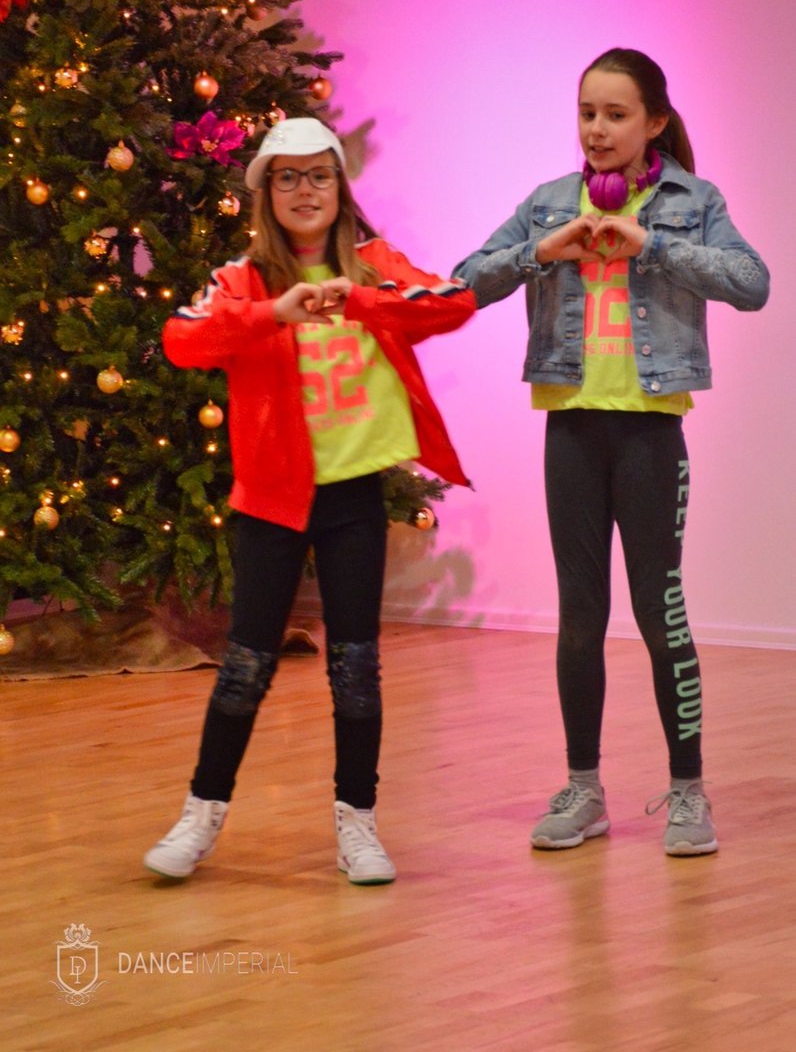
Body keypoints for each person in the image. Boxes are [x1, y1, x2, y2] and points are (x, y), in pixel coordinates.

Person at [453, 49, 769, 856]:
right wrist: (543, 251)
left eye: (616, 114)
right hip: (572, 428)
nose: (597, 129)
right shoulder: (548, 204)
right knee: (580, 616)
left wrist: (649, 245)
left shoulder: (693, 202)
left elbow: (752, 282)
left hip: (650, 433)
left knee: (662, 615)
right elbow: (461, 283)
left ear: (654, 122)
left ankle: (688, 792)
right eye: (588, 112)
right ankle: (584, 790)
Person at [145, 117, 474, 884]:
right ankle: (201, 815)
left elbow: (452, 302)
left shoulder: (373, 265)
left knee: (356, 667)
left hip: (353, 496)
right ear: (266, 193)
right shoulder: (242, 279)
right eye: (287, 177)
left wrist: (359, 300)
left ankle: (358, 824)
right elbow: (181, 339)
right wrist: (275, 312)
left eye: (318, 175)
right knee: (245, 666)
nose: (304, 190)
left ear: (339, 187)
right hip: (270, 501)